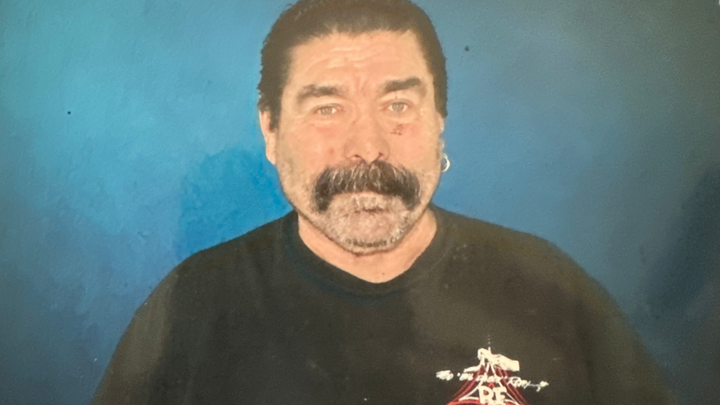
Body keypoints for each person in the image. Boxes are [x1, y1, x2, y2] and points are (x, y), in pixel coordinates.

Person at [91, 0, 675, 404]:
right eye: (327, 108)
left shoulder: (550, 292)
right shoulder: (192, 309)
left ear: (439, 121)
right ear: (270, 130)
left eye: (398, 106)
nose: (367, 146)